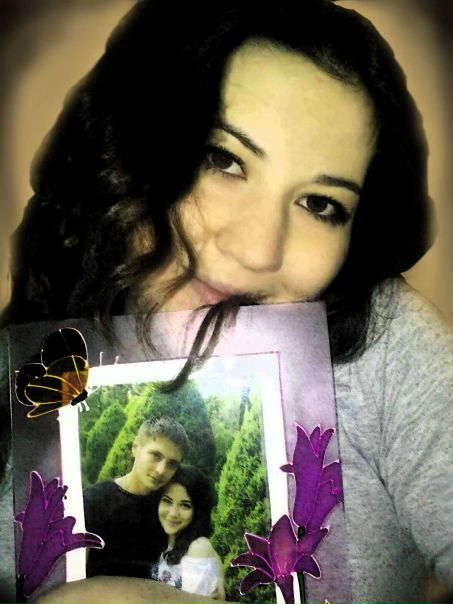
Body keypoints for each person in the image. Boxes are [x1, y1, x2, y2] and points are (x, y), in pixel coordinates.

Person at [0, 1, 451, 603]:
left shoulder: (386, 348)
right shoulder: (32, 360)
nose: (259, 251)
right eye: (224, 159)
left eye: (321, 203)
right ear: (133, 146)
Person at [83, 417, 189, 578]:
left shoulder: (168, 512)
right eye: (156, 456)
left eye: (172, 464)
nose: (161, 470)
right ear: (135, 447)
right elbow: (74, 575)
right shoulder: (94, 501)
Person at [150, 465, 224, 598]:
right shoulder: (163, 544)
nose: (173, 513)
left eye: (185, 505)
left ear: (197, 511)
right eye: (167, 501)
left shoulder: (199, 548)